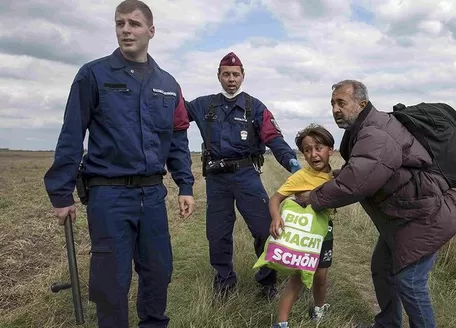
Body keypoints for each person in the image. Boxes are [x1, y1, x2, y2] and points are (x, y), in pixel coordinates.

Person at [43, 1, 195, 327]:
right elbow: (72, 134)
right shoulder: (93, 75)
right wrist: (61, 193)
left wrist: (185, 185)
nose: (126, 29)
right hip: (108, 196)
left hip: (152, 196)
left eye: (135, 24)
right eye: (120, 23)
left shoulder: (168, 85)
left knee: (158, 272)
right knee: (111, 283)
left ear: (151, 31)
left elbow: (178, 137)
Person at [304, 80, 456, 328]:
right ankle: (388, 323)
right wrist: (341, 176)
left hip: (421, 217)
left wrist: (314, 198)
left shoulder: (375, 133)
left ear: (362, 103)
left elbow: (358, 181)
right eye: (332, 103)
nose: (336, 109)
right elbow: (370, 171)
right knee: (382, 269)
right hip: (402, 216)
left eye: (341, 102)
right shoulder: (366, 129)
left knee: (411, 283)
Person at [184, 52, 301, 300]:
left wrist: (292, 163)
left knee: (263, 229)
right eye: (226, 74)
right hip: (216, 180)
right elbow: (175, 112)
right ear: (218, 76)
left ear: (243, 76)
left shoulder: (255, 107)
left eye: (236, 74)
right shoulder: (204, 105)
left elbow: (274, 138)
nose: (231, 79)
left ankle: (267, 282)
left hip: (246, 175)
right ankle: (224, 282)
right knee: (218, 233)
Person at [269, 124, 336, 328]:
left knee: (321, 277)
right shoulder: (300, 177)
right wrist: (275, 217)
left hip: (325, 234)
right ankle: (281, 323)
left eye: (319, 148)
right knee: (297, 276)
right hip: (304, 235)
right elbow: (275, 198)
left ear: (330, 149)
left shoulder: (337, 176)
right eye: (307, 150)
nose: (314, 154)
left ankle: (319, 309)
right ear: (303, 154)